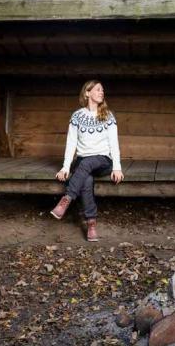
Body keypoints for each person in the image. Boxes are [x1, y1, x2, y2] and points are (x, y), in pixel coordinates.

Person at [50, 80, 124, 241]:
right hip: (83, 161)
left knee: (87, 163)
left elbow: (114, 143)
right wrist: (65, 168)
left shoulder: (108, 115)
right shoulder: (77, 116)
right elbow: (71, 143)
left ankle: (67, 199)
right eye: (98, 89)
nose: (101, 92)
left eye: (102, 90)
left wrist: (117, 167)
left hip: (103, 161)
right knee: (86, 178)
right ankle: (91, 223)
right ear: (87, 93)